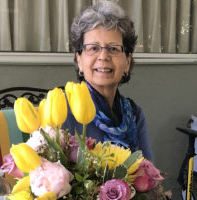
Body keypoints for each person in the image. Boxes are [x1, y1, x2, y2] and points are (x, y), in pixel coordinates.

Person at [63, 0, 154, 162]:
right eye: (93, 48)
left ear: (127, 61)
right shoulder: (61, 111)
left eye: (113, 48)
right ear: (79, 60)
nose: (103, 56)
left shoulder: (134, 115)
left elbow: (150, 176)